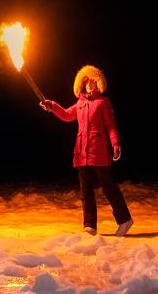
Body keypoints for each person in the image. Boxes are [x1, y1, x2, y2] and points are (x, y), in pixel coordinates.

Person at [41, 65, 133, 236]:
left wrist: (116, 144)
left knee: (109, 188)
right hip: (82, 153)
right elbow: (67, 115)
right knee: (85, 191)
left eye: (92, 81)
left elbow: (111, 126)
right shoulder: (80, 104)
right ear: (82, 85)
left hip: (99, 152)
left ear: (98, 83)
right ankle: (89, 226)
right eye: (86, 82)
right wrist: (52, 106)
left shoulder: (103, 103)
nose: (89, 85)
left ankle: (125, 220)